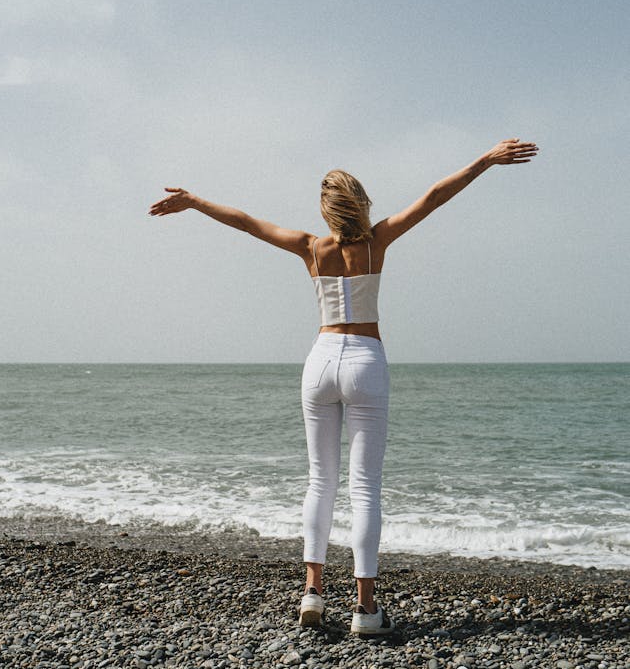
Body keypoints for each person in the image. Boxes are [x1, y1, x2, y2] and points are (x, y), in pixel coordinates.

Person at [148, 137, 539, 636]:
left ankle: (312, 592)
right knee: (365, 487)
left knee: (320, 481)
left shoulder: (311, 247)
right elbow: (436, 195)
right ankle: (365, 608)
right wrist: (486, 159)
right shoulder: (377, 242)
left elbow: (246, 221)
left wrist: (195, 201)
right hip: (365, 361)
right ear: (361, 202)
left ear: (327, 209)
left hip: (320, 361)